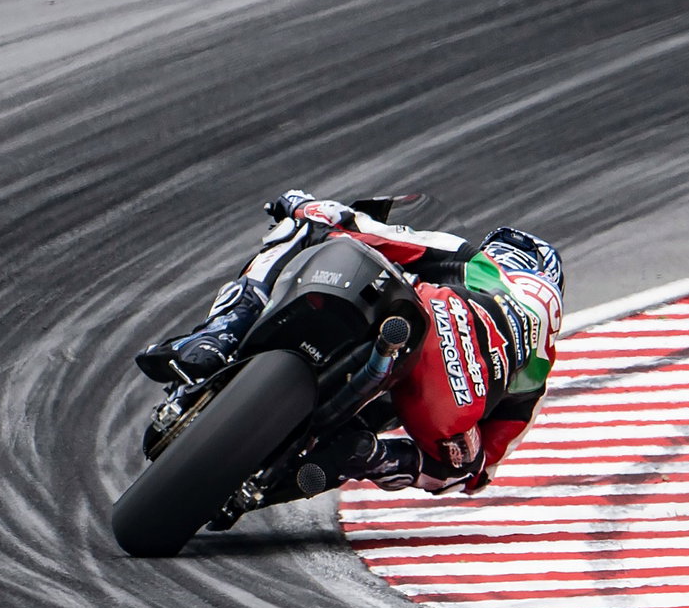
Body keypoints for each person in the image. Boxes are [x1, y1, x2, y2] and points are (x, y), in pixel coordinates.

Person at [135, 190, 563, 496]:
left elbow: (372, 233)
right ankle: (359, 455)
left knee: (310, 228)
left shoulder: (481, 267)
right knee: (459, 467)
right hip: (444, 403)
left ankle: (224, 329)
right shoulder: (539, 365)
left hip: (424, 322)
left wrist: (305, 206)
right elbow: (478, 475)